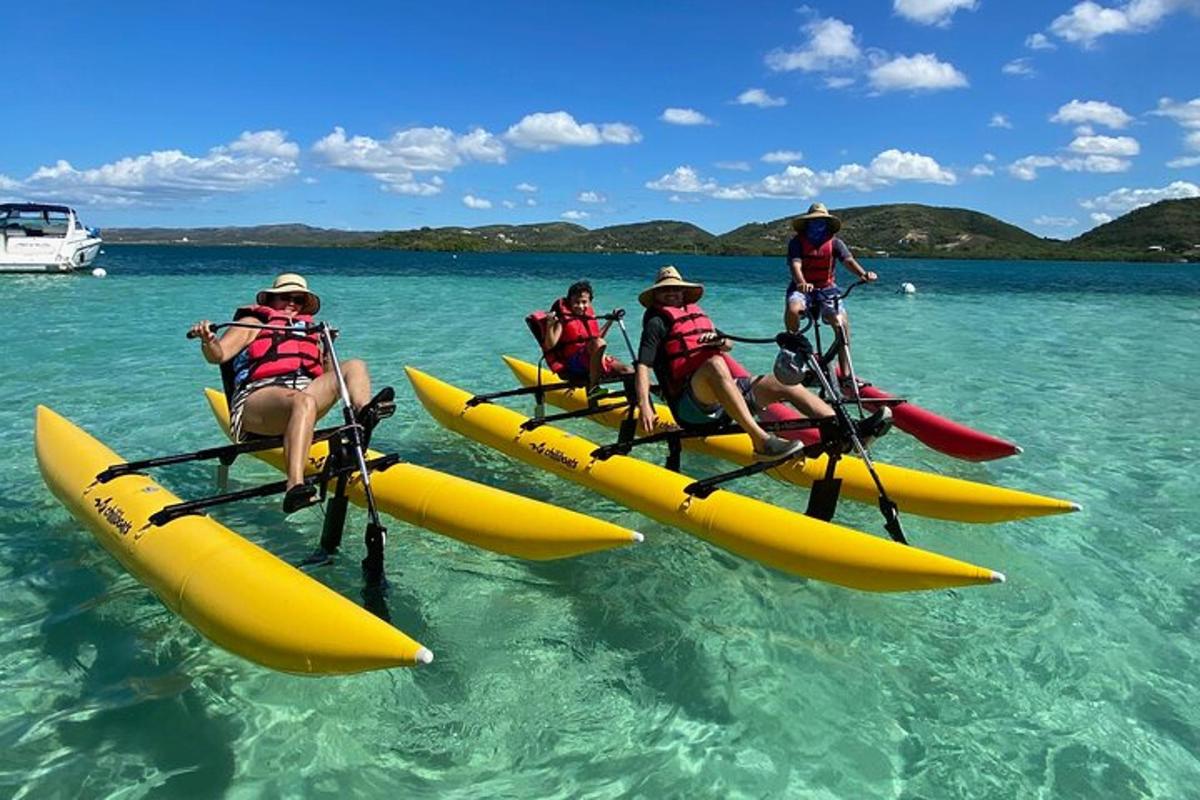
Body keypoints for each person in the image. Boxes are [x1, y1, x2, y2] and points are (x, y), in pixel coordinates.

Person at [634, 266, 891, 461]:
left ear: (683, 292)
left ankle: (844, 431)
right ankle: (761, 441)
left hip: (722, 397)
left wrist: (721, 342)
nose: (672, 293)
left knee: (782, 383)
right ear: (657, 295)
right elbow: (643, 366)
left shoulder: (695, 315)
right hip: (691, 407)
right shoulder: (657, 322)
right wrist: (646, 406)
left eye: (675, 288)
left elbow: (729, 345)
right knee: (714, 364)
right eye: (666, 290)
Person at [189, 273, 393, 514]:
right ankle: (294, 486)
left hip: (301, 400)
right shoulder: (253, 323)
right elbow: (218, 355)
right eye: (286, 297)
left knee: (355, 365)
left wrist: (327, 349)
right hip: (257, 402)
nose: (292, 303)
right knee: (303, 401)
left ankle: (364, 414)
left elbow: (327, 378)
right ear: (271, 300)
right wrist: (208, 339)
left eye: (298, 299)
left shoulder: (309, 331)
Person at [784, 204, 878, 372]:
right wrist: (801, 283)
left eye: (821, 222)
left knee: (841, 325)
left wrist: (863, 274)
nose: (817, 226)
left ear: (827, 224)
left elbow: (848, 261)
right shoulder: (796, 242)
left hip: (827, 289)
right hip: (802, 289)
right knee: (793, 310)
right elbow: (795, 265)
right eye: (814, 222)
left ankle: (846, 375)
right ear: (807, 224)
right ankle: (793, 353)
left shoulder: (835, 243)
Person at [528, 280, 633, 398]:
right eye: (576, 302)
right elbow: (549, 345)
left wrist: (610, 321)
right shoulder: (564, 319)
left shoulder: (587, 316)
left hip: (591, 360)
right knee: (599, 343)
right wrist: (550, 324)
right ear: (569, 302)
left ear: (590, 302)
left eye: (584, 302)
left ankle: (635, 406)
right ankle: (593, 388)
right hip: (574, 363)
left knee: (629, 371)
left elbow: (597, 338)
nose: (580, 306)